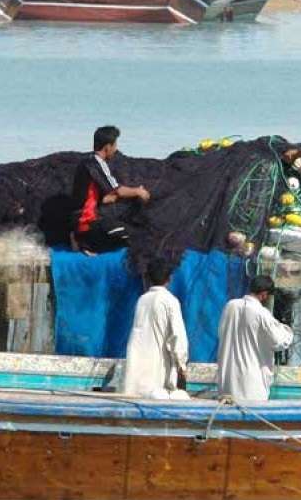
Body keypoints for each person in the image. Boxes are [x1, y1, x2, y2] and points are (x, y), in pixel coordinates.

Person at [70, 125, 151, 255]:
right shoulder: (97, 164)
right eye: (115, 145)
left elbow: (99, 198)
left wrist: (117, 198)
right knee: (130, 235)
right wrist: (138, 191)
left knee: (120, 229)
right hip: (85, 222)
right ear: (108, 147)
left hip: (79, 220)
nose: (115, 149)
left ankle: (83, 239)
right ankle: (86, 244)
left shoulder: (85, 163)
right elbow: (118, 190)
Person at [216, 275, 293, 401]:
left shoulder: (230, 306)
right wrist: (287, 331)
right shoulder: (261, 313)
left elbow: (221, 332)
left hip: (227, 384)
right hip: (251, 387)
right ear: (264, 295)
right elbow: (280, 341)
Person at [123, 258, 190, 400]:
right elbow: (178, 337)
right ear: (170, 278)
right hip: (157, 371)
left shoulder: (142, 300)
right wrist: (181, 365)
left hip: (136, 370)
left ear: (148, 278)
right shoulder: (170, 301)